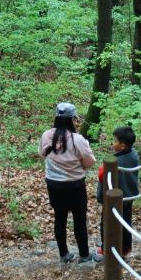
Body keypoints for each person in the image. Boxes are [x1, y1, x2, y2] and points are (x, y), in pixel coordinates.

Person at [39, 101, 102, 265]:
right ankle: (84, 254)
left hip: (53, 184)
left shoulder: (46, 135)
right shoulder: (78, 139)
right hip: (75, 185)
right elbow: (90, 162)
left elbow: (42, 154)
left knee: (59, 218)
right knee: (79, 220)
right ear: (72, 119)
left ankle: (64, 254)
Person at [96, 125, 139, 256]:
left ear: (123, 146)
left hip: (114, 198)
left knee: (107, 223)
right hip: (129, 196)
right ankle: (126, 247)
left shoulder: (117, 161)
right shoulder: (134, 154)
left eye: (115, 141)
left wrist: (102, 167)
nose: (112, 143)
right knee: (126, 222)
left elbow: (102, 175)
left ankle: (106, 248)